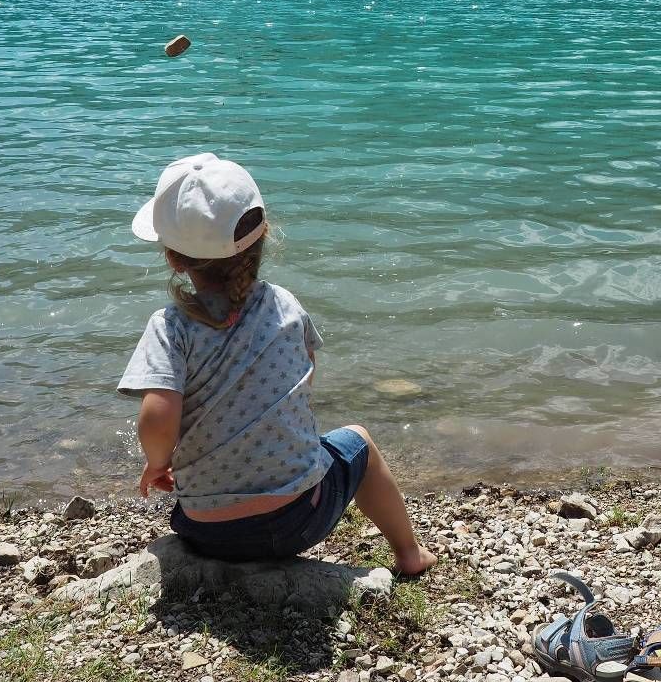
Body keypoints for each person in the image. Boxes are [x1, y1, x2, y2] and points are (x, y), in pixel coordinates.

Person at [118, 152, 436, 576]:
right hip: (301, 519)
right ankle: (410, 554)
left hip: (207, 531)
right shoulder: (284, 305)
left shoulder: (170, 327)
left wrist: (158, 463)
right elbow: (304, 376)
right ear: (263, 234)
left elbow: (157, 418)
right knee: (358, 440)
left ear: (174, 259)